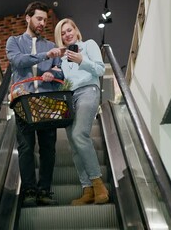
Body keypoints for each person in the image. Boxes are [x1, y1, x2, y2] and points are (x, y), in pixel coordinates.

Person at [6, 1, 65, 207]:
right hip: (23, 102)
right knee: (25, 147)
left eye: (45, 20)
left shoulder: (51, 45)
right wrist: (44, 57)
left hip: (47, 101)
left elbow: (61, 70)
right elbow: (19, 61)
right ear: (28, 18)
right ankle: (30, 189)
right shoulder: (13, 42)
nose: (42, 23)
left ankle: (45, 190)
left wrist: (53, 71)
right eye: (39, 18)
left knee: (48, 149)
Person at [54, 18, 109, 205]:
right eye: (63, 33)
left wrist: (82, 60)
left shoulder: (88, 45)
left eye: (69, 30)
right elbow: (69, 82)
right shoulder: (62, 60)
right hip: (70, 98)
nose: (67, 34)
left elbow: (100, 70)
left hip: (88, 91)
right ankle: (87, 190)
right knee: (74, 145)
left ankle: (98, 183)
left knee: (79, 134)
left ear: (76, 31)